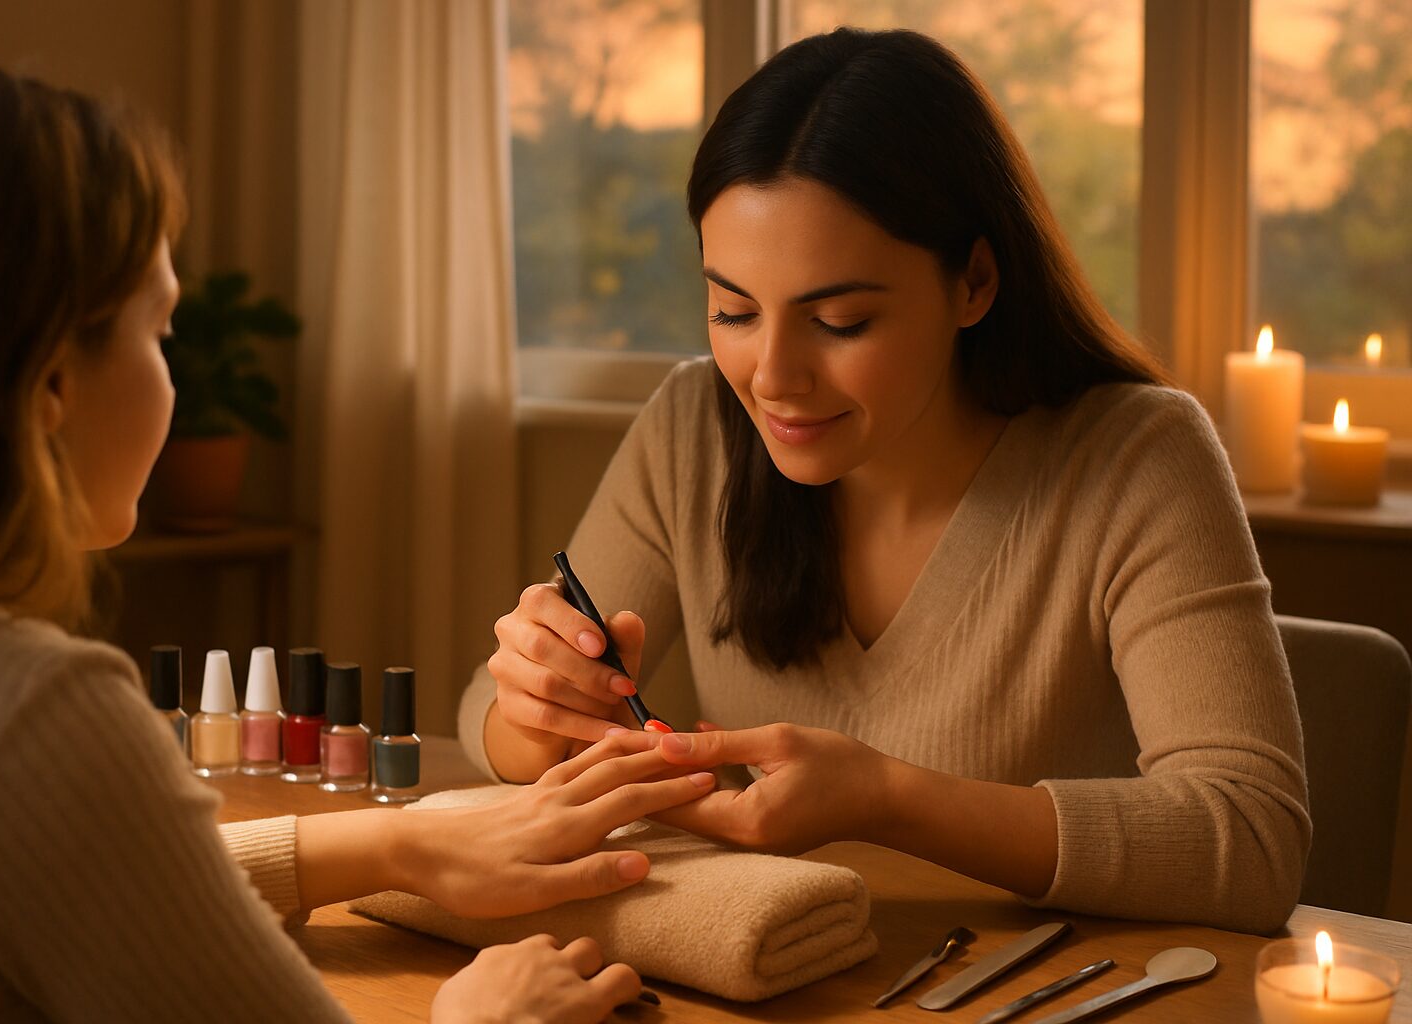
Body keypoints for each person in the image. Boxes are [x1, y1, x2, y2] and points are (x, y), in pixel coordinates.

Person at [0, 52, 715, 1023]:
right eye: (162, 331)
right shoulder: (35, 717)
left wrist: (395, 845)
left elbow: (80, 871)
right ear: (52, 381)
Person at [464, 28, 1311, 935]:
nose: (772, 378)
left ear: (974, 282)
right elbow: (485, 717)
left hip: (1037, 987)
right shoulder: (691, 428)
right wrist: (540, 711)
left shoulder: (1135, 456)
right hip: (777, 973)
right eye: (733, 311)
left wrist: (887, 800)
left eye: (839, 320)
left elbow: (1249, 838)